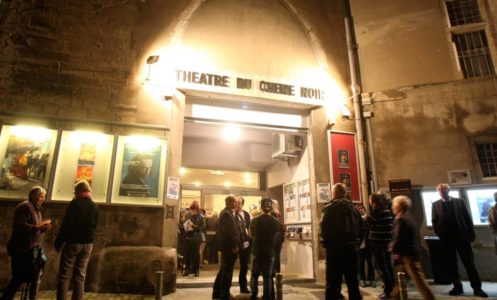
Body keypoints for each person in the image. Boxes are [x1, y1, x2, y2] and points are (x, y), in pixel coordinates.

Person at [432, 183, 487, 297]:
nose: (443, 192)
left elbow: (467, 217)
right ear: (438, 192)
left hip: (462, 237)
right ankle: (457, 287)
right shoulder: (435, 205)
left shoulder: (459, 202)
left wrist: (471, 234)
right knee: (451, 264)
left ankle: (477, 288)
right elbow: (434, 221)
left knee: (469, 263)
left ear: (449, 191)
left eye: (445, 190)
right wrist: (440, 234)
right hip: (446, 239)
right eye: (441, 191)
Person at [1, 186, 51, 300]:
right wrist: (38, 227)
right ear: (34, 196)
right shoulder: (25, 207)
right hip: (20, 248)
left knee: (23, 277)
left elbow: (35, 227)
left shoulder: (36, 208)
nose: (43, 199)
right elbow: (21, 226)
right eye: (41, 196)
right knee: (18, 277)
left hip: (28, 249)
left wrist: (43, 227)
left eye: (43, 197)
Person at [55, 180, 99, 300]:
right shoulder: (95, 206)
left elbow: (66, 225)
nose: (74, 194)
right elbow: (95, 226)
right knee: (80, 276)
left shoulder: (75, 204)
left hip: (73, 243)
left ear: (78, 191)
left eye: (75, 191)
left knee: (64, 275)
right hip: (88, 244)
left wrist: (59, 242)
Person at [320, 183, 363, 300]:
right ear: (345, 194)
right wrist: (356, 244)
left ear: (334, 194)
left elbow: (324, 229)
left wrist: (327, 244)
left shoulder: (328, 208)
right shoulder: (354, 209)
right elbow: (362, 229)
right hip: (352, 249)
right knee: (353, 282)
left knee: (333, 283)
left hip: (334, 250)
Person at [389, 195, 435, 300]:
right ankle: (395, 297)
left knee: (418, 279)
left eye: (394, 205)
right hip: (407, 253)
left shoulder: (401, 219)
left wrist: (392, 247)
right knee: (400, 279)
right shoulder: (408, 217)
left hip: (406, 254)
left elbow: (399, 236)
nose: (392, 207)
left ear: (399, 206)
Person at [249, 197, 281, 300]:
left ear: (261, 207)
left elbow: (250, 235)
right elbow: (277, 236)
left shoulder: (254, 220)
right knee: (267, 276)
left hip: (256, 251)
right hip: (269, 251)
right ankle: (267, 296)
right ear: (271, 207)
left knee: (254, 275)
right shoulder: (275, 221)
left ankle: (253, 295)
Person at [364, 193, 394, 300]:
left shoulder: (376, 211)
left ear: (372, 201)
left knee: (381, 266)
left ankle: (388, 291)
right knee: (387, 266)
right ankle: (391, 288)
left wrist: (364, 217)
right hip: (386, 242)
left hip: (378, 243)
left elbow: (366, 224)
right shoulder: (386, 210)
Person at [213, 195, 241, 300]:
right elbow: (228, 232)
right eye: (234, 202)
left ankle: (217, 292)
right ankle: (225, 294)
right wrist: (234, 245)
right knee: (227, 271)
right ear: (229, 203)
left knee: (224, 270)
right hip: (229, 248)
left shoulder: (228, 213)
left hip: (228, 247)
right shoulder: (226, 214)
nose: (236, 204)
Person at [356, 204, 375, 288]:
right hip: (360, 245)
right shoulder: (356, 219)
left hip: (368, 244)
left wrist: (366, 219)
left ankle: (371, 280)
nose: (361, 210)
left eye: (362, 208)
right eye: (359, 209)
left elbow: (372, 227)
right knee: (361, 263)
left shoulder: (368, 218)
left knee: (370, 263)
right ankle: (362, 279)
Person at [182, 203, 205, 276]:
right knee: (187, 254)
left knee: (196, 255)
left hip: (196, 238)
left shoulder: (201, 217)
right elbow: (184, 224)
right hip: (188, 237)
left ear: (195, 210)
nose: (190, 212)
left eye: (191, 210)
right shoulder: (188, 216)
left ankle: (196, 270)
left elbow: (202, 228)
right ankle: (187, 270)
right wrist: (186, 227)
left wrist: (193, 226)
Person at [236, 196, 251, 294]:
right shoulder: (232, 214)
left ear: (243, 204)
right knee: (227, 266)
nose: (237, 205)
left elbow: (249, 227)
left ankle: (243, 286)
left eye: (239, 203)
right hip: (235, 242)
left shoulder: (246, 214)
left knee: (244, 265)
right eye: (236, 202)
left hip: (245, 242)